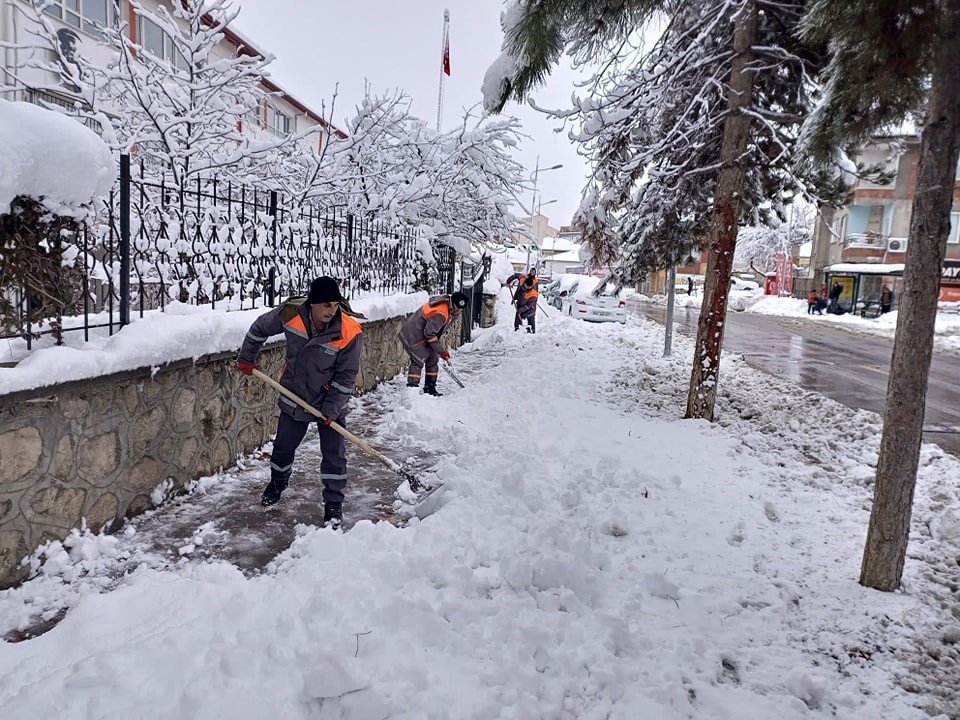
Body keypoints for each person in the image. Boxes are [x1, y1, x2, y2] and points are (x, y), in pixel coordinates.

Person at [236, 276, 363, 525]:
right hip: (296, 394)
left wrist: (331, 409)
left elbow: (347, 375)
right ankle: (278, 482)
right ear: (312, 303)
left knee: (333, 453)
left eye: (335, 304)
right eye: (326, 305)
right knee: (283, 446)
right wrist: (246, 358)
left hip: (330, 399)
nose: (332, 310)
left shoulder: (349, 332)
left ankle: (334, 503)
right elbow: (259, 328)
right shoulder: (291, 314)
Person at [398, 291, 468, 396]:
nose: (459, 311)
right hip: (414, 334)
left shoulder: (449, 306)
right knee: (418, 360)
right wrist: (441, 351)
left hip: (423, 332)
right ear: (454, 305)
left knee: (433, 358)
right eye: (459, 308)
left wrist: (438, 351)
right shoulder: (441, 312)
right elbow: (430, 333)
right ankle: (412, 391)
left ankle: (430, 388)